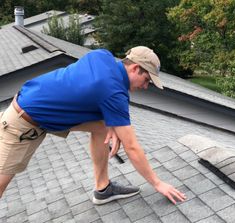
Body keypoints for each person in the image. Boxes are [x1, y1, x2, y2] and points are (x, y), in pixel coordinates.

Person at [0, 46, 186, 205]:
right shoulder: (114, 93)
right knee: (2, 179)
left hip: (42, 109)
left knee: (105, 128)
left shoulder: (102, 55)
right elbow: (132, 147)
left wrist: (111, 124)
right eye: (147, 80)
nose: (145, 87)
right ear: (136, 68)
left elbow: (90, 87)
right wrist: (158, 183)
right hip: (22, 123)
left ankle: (102, 188)